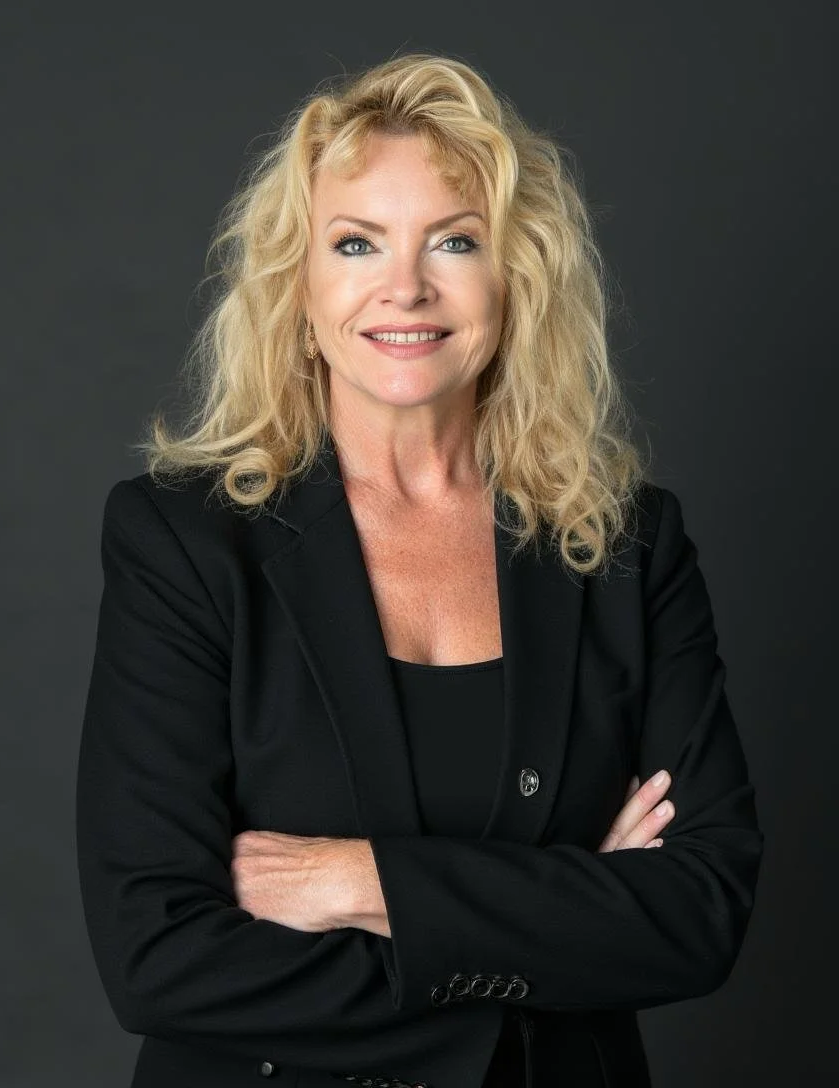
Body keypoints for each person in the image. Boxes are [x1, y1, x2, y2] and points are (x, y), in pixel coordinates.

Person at [75, 53, 764, 1088]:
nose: (405, 285)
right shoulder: (183, 539)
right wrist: (559, 913)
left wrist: (363, 878)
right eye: (355, 242)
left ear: (512, 276)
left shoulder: (625, 544)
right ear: (297, 288)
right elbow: (157, 960)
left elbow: (697, 914)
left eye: (454, 240)